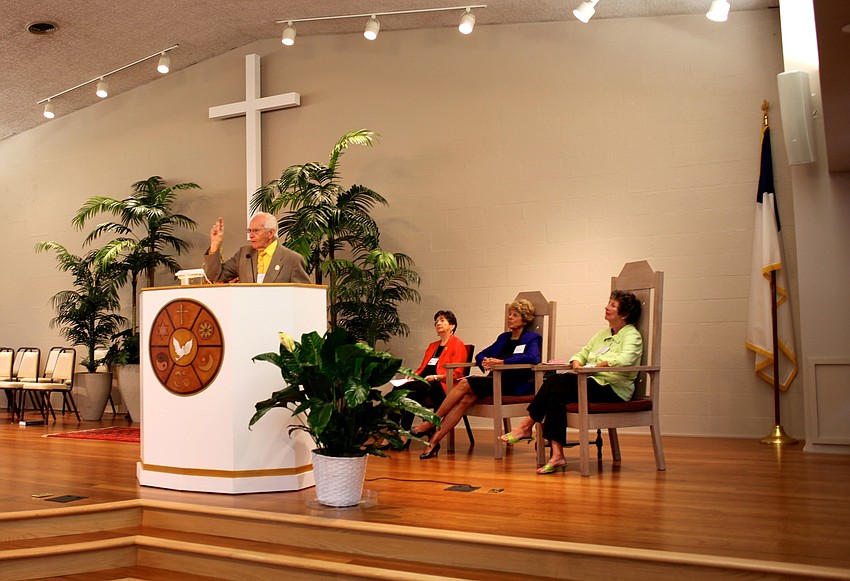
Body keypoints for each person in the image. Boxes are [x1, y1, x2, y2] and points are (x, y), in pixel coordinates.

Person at [500, 290, 643, 474]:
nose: (607, 307)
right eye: (608, 303)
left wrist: (596, 365)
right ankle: (557, 455)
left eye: (613, 305)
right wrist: (577, 363)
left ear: (625, 314)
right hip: (590, 382)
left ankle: (525, 426)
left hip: (613, 389)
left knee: (555, 382)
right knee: (556, 395)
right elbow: (582, 353)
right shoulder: (602, 334)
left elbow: (626, 359)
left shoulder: (632, 336)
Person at [414, 299, 542, 460]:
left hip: (515, 385)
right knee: (466, 399)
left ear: (525, 318)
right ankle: (433, 442)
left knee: (465, 382)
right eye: (509, 314)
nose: (509, 317)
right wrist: (486, 361)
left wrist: (503, 362)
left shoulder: (532, 338)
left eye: (514, 315)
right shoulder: (504, 338)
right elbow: (480, 354)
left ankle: (432, 421)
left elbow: (533, 357)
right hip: (495, 381)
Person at [385, 310, 467, 450]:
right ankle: (391, 431)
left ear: (452, 326)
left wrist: (436, 377)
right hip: (424, 382)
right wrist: (413, 376)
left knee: (411, 392)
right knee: (398, 390)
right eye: (436, 321)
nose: (438, 323)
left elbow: (457, 373)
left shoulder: (458, 344)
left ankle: (404, 434)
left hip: (441, 385)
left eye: (442, 320)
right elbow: (423, 368)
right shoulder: (432, 346)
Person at [203, 212, 310, 284]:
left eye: (256, 231)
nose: (251, 235)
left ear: (270, 233)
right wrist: (215, 244)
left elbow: (303, 296)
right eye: (250, 231)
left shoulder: (292, 260)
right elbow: (215, 276)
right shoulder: (243, 254)